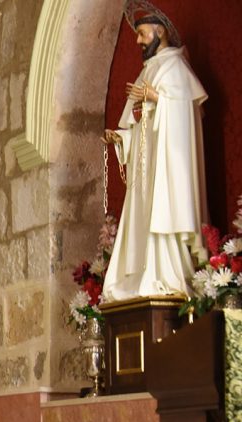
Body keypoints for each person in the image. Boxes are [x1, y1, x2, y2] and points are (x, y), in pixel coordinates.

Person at [102, 1, 208, 301]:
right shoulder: (147, 71)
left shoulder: (175, 67)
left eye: (142, 33)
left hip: (168, 165)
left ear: (159, 32)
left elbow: (186, 113)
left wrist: (157, 97)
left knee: (166, 209)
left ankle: (169, 274)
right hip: (148, 169)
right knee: (145, 216)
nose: (138, 40)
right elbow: (140, 122)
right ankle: (145, 273)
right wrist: (123, 138)